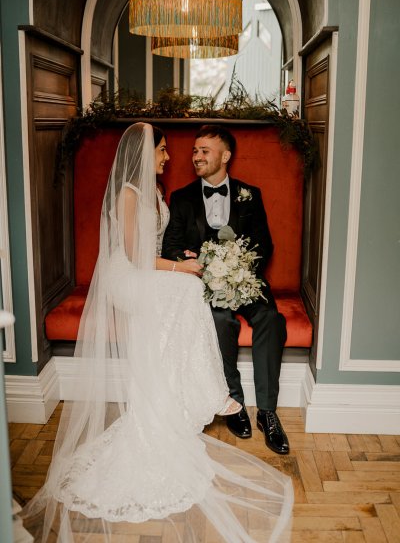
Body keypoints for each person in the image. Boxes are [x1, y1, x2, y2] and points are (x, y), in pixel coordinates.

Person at [21, 122, 293, 542]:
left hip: (213, 277)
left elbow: (255, 245)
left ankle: (243, 406)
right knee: (188, 293)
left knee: (208, 298)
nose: (174, 157)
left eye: (200, 150)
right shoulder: (137, 193)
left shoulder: (181, 193)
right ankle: (215, 396)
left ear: (226, 156)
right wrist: (185, 266)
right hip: (127, 274)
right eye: (165, 151)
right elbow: (137, 254)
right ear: (146, 154)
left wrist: (222, 267)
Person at [162, 124, 289, 455]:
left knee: (271, 320)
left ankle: (268, 412)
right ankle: (234, 402)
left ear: (226, 156)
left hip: (247, 281)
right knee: (220, 322)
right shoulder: (182, 198)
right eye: (194, 150)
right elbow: (171, 246)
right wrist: (197, 265)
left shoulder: (251, 194)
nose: (197, 156)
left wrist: (239, 271)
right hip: (203, 286)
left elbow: (265, 244)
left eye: (205, 150)